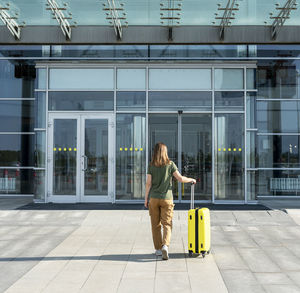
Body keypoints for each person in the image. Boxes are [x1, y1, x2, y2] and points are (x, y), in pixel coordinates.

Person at [144, 142, 196, 260]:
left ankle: (158, 249)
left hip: (154, 198)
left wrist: (146, 199)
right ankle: (165, 246)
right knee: (167, 224)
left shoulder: (151, 165)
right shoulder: (170, 164)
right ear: (165, 152)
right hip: (167, 198)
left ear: (155, 152)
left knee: (155, 225)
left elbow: (148, 184)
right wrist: (191, 179)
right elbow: (180, 178)